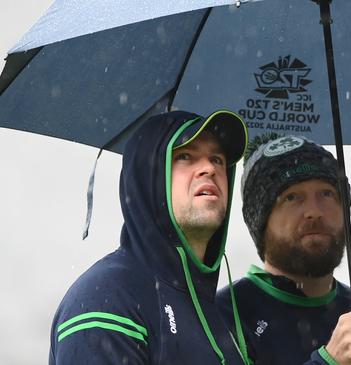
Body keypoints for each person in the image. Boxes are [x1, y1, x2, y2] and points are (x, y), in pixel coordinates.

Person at [49, 110, 251, 364]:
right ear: (149, 177)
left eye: (217, 159)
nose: (208, 168)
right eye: (186, 156)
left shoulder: (214, 314)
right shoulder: (106, 300)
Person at [216, 134, 351, 365]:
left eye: (327, 194)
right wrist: (329, 361)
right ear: (261, 220)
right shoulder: (222, 317)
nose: (314, 211)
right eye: (292, 197)